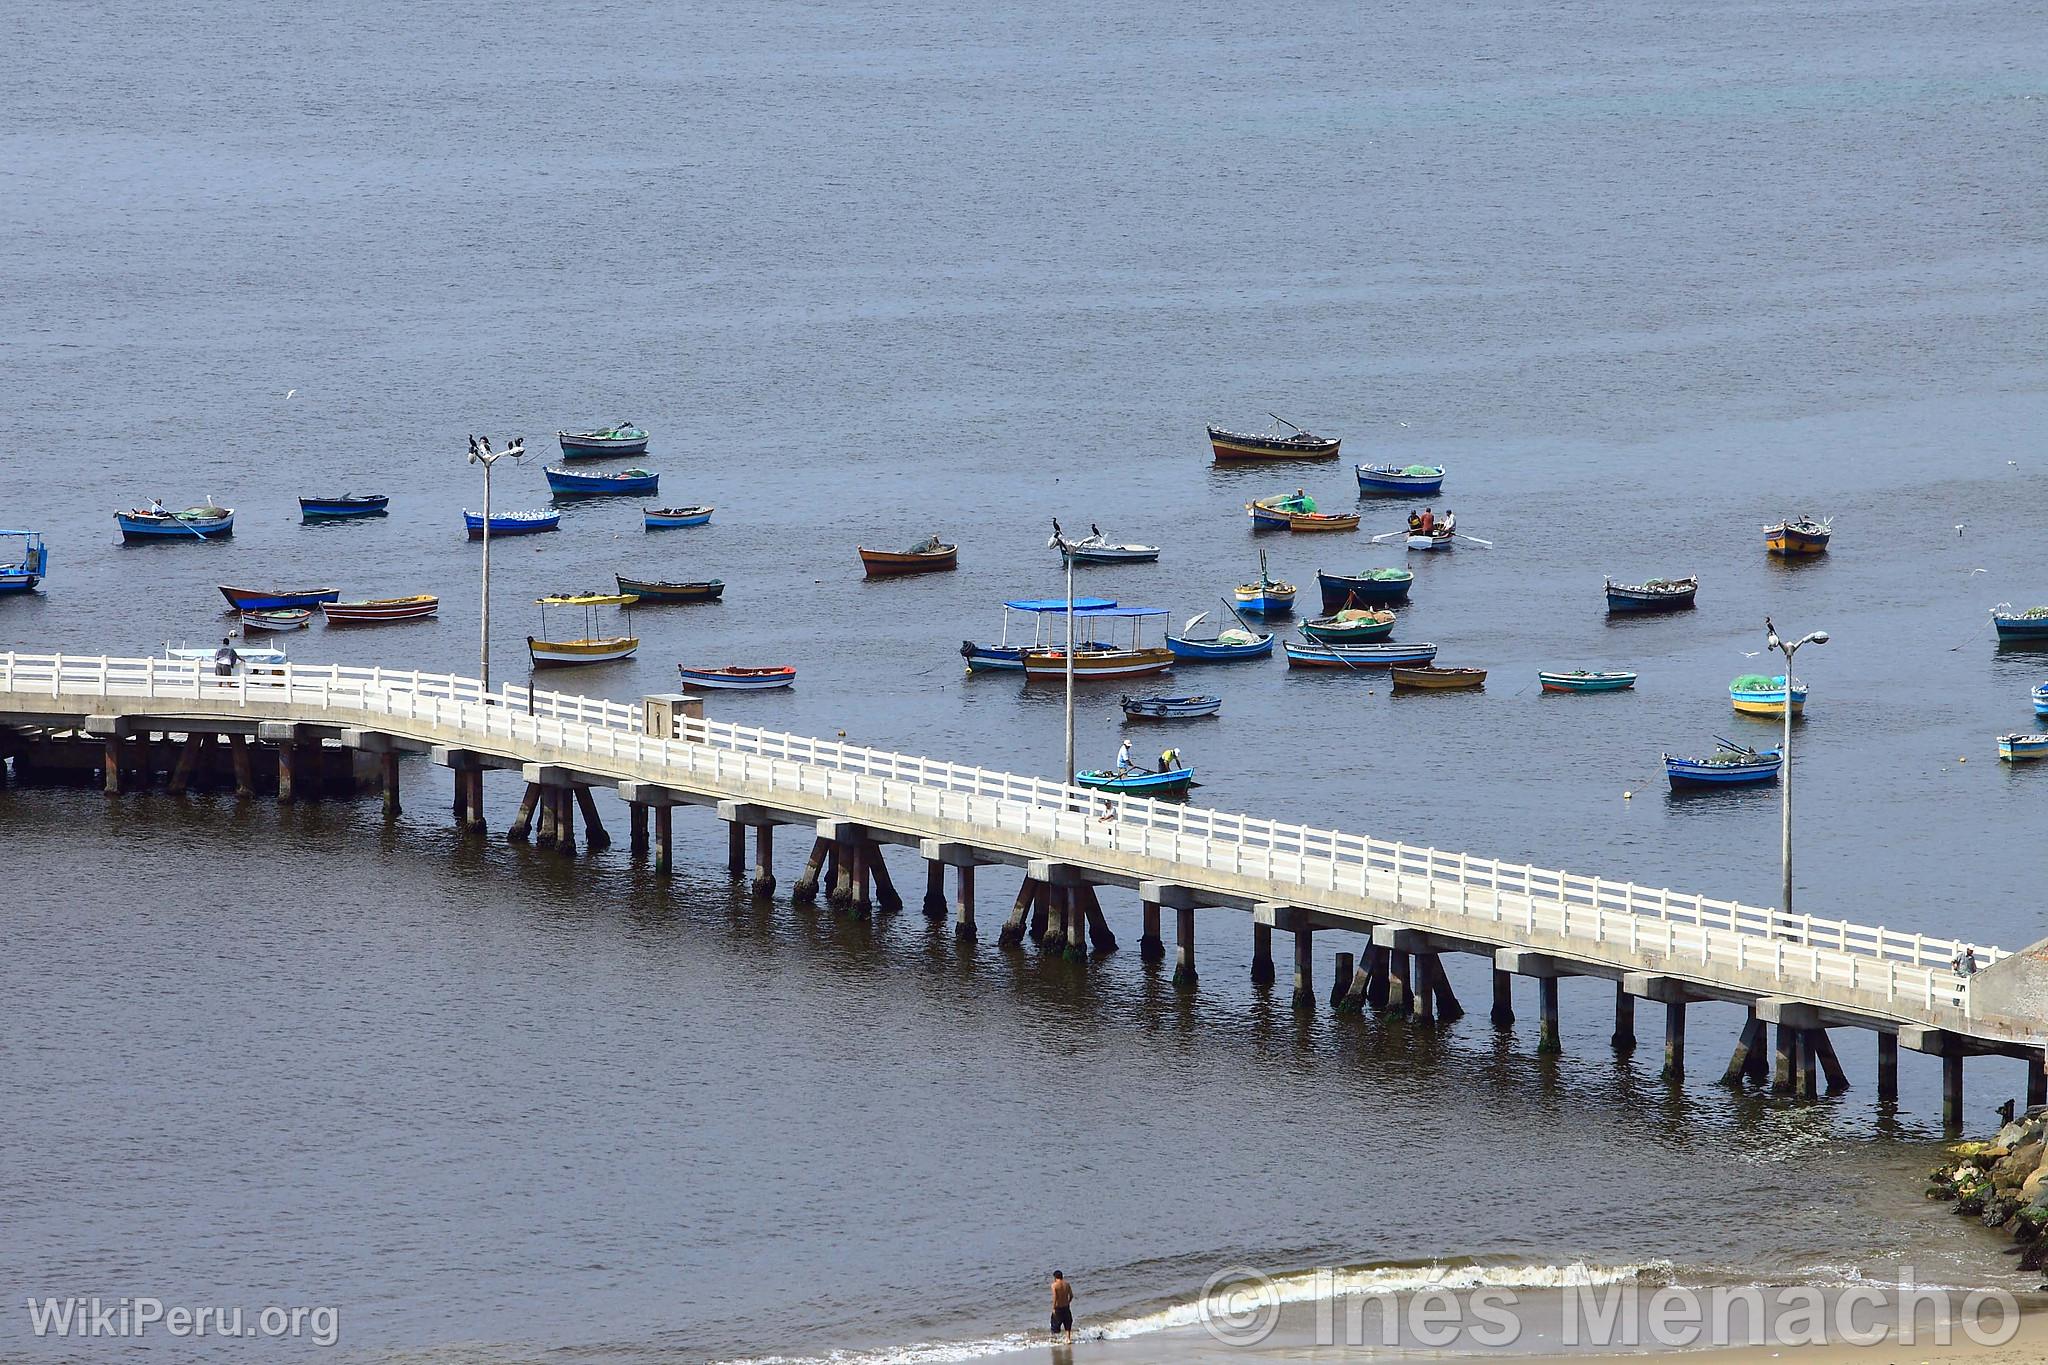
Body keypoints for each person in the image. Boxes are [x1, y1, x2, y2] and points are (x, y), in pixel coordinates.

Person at [1049, 1270, 1074, 1340]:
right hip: (1066, 1307)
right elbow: (1071, 1295)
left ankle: (1054, 1339)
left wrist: (1053, 1308)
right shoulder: (1067, 1284)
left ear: (1055, 1277)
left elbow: (1055, 1297)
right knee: (1067, 1323)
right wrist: (1068, 1302)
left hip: (1058, 1308)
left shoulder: (1054, 1285)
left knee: (1054, 1324)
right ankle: (1068, 1339)